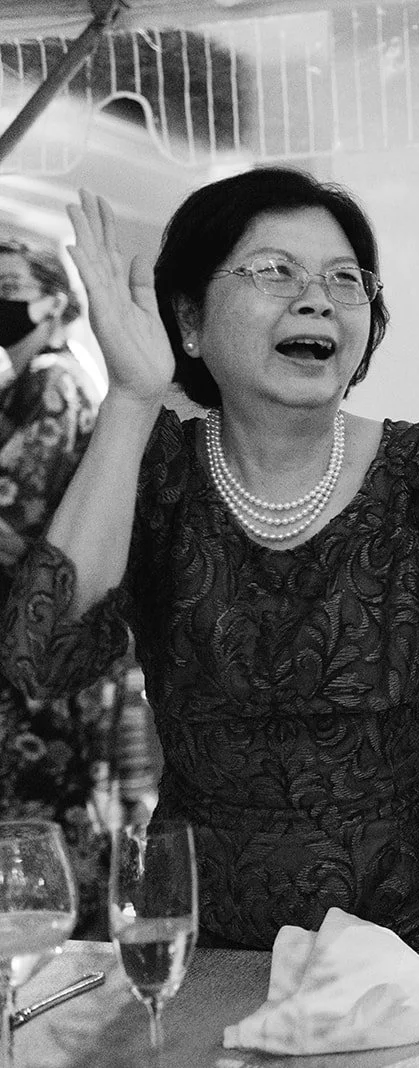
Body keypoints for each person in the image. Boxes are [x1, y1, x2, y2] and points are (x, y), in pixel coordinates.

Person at [0, 168, 419, 962]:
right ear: (190, 320)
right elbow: (42, 659)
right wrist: (130, 401)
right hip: (208, 947)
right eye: (273, 271)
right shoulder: (155, 473)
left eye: (343, 279)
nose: (315, 298)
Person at [0, 238, 118, 935]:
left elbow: (15, 513)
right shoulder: (34, 380)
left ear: (53, 298)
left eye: (12, 285)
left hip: (41, 637)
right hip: (42, 634)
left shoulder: (52, 382)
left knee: (42, 811)